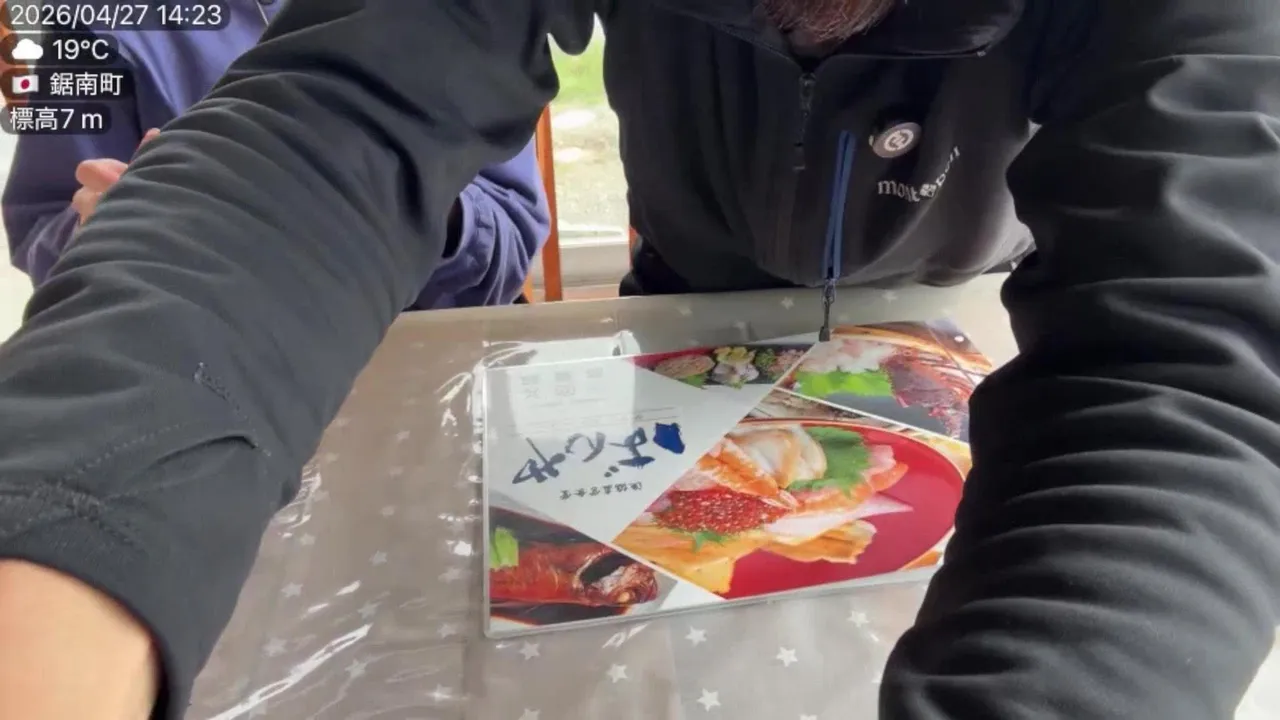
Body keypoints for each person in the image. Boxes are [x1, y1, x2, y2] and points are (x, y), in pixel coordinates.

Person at [2, 1, 1280, 718]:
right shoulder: (76, 23)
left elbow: (1188, 346)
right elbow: (322, 126)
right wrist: (61, 537)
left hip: (966, 308)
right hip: (684, 300)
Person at [2, 0, 549, 308]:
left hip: (429, 367)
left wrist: (410, 202)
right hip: (202, 370)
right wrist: (108, 229)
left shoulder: (456, 14)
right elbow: (44, 231)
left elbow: (511, 234)